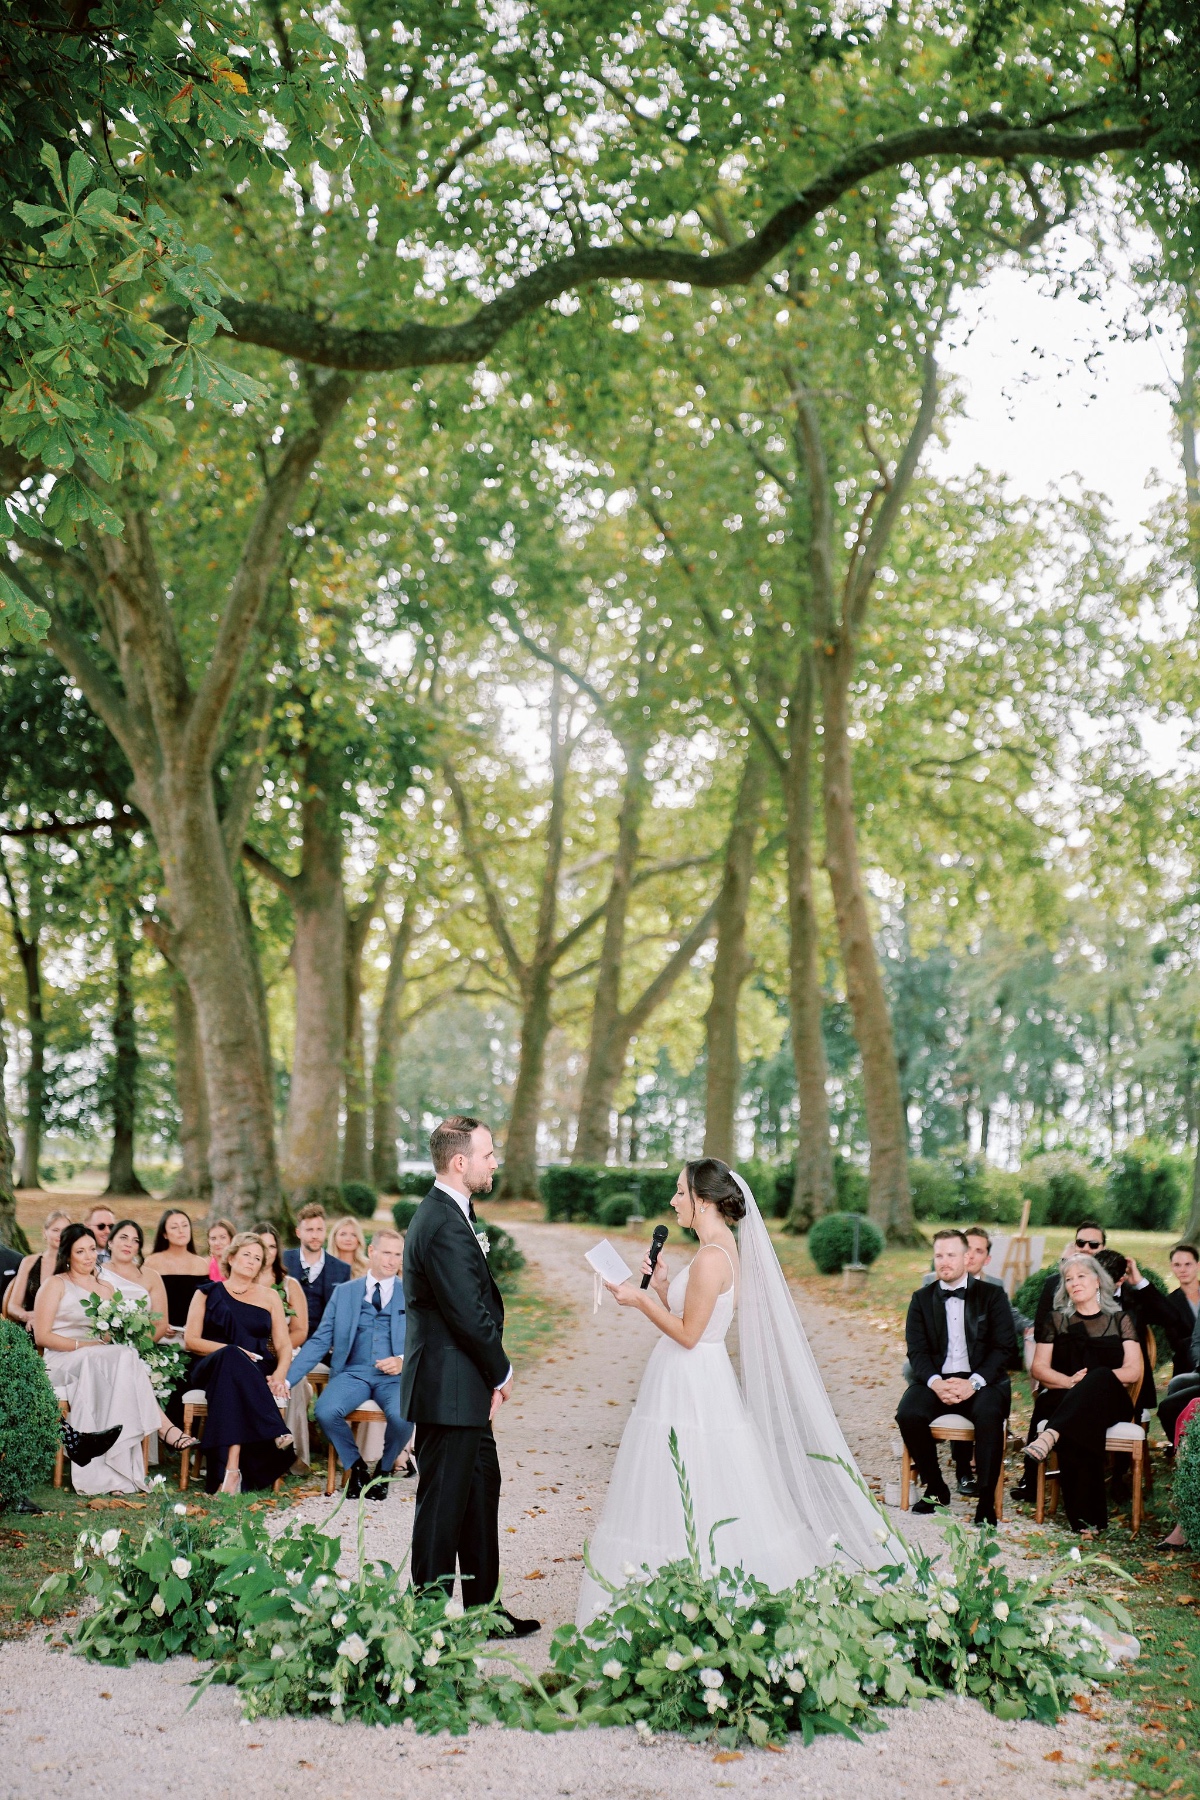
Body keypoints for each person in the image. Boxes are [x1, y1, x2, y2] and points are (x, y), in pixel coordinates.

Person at [402, 1117, 537, 1635]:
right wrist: (501, 1373)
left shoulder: (453, 1212)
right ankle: (427, 1622)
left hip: (463, 1388)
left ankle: (486, 1611)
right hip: (449, 1388)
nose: (495, 1162)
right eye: (488, 1154)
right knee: (442, 1506)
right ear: (460, 1162)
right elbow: (466, 1313)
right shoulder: (439, 1223)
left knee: (480, 1493)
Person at [33, 1224, 196, 1493]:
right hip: (61, 1360)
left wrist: (114, 1334)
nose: (88, 1257)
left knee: (124, 1356)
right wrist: (83, 1345)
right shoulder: (55, 1284)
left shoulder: (106, 1288)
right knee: (114, 1358)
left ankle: (116, 1476)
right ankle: (165, 1429)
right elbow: (42, 1336)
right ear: (68, 1254)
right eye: (80, 1251)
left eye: (91, 1250)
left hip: (98, 1359)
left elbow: (110, 1336)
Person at [896, 1228, 1017, 1526]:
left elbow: (1005, 1349)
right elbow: (918, 1351)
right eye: (939, 1255)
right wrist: (936, 1383)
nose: (944, 1261)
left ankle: (986, 1499)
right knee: (908, 1414)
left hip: (981, 1381)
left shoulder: (992, 1295)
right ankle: (936, 1487)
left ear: (966, 1257)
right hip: (938, 1379)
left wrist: (973, 1382)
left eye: (951, 1255)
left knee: (989, 1415)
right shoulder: (921, 1299)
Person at [288, 1227, 414, 1497]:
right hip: (352, 1372)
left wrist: (403, 1360)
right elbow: (321, 1340)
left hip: (393, 1377)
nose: (392, 1261)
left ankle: (383, 1470)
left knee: (404, 1416)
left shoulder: (413, 1294)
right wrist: (288, 1378)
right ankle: (355, 1467)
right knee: (325, 1410)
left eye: (398, 1255)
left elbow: (426, 1340)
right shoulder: (345, 1292)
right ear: (371, 1251)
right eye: (386, 1253)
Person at [1026, 1254, 1143, 1535]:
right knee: (1079, 1419)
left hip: (1111, 1399)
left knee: (1100, 1375)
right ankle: (1087, 1523)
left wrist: (1092, 1381)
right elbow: (1039, 1368)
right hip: (1065, 1395)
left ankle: (1050, 1435)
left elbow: (1133, 1370)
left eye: (1081, 1276)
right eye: (1068, 1279)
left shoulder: (1121, 1319)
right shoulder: (1056, 1320)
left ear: (1097, 1281)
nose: (1074, 1283)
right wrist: (1069, 1383)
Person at [917, 1224, 1030, 1496]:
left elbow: (1008, 1323)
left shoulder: (994, 1288)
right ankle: (943, 1458)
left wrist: (1031, 1326)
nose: (969, 1256)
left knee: (982, 1392)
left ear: (985, 1258)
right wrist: (936, 1379)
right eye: (965, 1249)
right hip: (938, 1367)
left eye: (977, 1251)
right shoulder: (931, 1284)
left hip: (979, 1370)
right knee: (917, 1381)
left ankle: (975, 1466)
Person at [183, 1232, 294, 1495]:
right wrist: (233, 1350)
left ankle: (231, 1472)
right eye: (247, 1254)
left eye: (258, 1258)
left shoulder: (270, 1297)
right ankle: (275, 1428)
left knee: (233, 1384)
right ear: (230, 1258)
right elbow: (191, 1340)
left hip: (255, 1370)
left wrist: (279, 1375)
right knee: (232, 1357)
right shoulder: (206, 1293)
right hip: (210, 1365)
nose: (252, 1261)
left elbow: (284, 1345)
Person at [251, 1220, 311, 1466]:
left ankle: (292, 1453)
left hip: (284, 1351)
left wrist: (279, 1346)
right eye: (261, 1246)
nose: (267, 1252)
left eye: (272, 1246)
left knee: (295, 1381)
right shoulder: (242, 1283)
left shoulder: (289, 1285)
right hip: (252, 1353)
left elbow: (300, 1330)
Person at [283, 1203, 351, 1336]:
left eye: (319, 1230)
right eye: (309, 1230)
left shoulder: (342, 1270)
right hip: (286, 1337)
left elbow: (343, 1314)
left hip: (324, 1344)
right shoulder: (283, 1261)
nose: (315, 1235)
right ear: (298, 1232)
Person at [1157, 1244, 1200, 1450]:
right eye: (1177, 1265)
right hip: (1187, 1361)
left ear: (1197, 1265)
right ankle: (1181, 1445)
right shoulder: (1170, 1302)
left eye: (1188, 1264)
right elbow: (1177, 1343)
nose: (1183, 1269)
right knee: (1178, 1383)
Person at [144, 1209, 211, 1333]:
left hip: (192, 1332)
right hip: (160, 1332)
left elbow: (205, 1303)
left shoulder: (201, 1264)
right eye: (174, 1227)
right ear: (164, 1234)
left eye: (185, 1225)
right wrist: (160, 1324)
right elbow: (144, 1300)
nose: (181, 1231)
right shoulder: (152, 1262)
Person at [103, 1219, 170, 1341]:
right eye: (124, 1238)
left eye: (135, 1241)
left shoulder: (152, 1276)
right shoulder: (96, 1273)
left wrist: (136, 1347)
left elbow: (160, 1324)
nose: (129, 1244)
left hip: (141, 1346)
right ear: (110, 1242)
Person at [3, 1207, 70, 1326]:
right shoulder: (29, 1262)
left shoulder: (76, 1263)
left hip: (65, 1327)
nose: (60, 1235)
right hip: (31, 1327)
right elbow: (12, 1306)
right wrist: (27, 1316)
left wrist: (43, 1318)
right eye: (55, 1230)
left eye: (65, 1230)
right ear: (44, 1233)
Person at [328, 1215, 370, 1280]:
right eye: (343, 1234)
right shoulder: (325, 1266)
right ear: (334, 1237)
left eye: (353, 1235)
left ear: (359, 1239)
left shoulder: (369, 1266)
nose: (348, 1239)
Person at [83, 1203, 116, 1270]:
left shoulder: (122, 1254)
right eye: (101, 1226)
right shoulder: (76, 1255)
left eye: (111, 1227)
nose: (107, 1231)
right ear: (87, 1227)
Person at [206, 1217, 235, 1283]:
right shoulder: (204, 1265)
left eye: (223, 1237)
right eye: (213, 1239)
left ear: (231, 1239)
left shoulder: (239, 1264)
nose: (217, 1243)